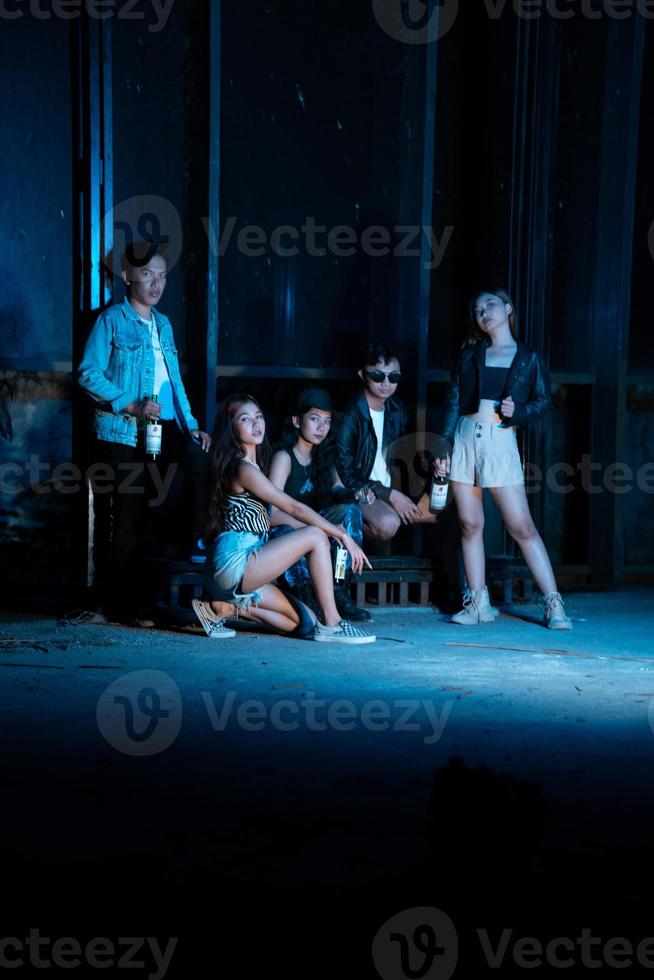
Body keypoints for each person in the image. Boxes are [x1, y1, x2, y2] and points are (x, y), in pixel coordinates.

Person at [78, 240, 211, 623]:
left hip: (161, 431)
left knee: (169, 501)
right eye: (147, 275)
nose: (156, 283)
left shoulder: (163, 324)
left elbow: (174, 382)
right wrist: (128, 402)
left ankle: (168, 584)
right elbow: (87, 373)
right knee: (128, 517)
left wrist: (193, 426)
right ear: (127, 277)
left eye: (162, 276)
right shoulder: (112, 320)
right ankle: (120, 606)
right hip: (121, 433)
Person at [436, 288, 572, 630]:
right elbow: (453, 402)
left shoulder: (527, 357)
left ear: (508, 308)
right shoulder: (469, 353)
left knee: (521, 526)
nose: (484, 312)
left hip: (500, 441)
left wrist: (519, 411)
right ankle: (477, 602)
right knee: (469, 524)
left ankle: (554, 603)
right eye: (478, 308)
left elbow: (544, 402)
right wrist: (444, 449)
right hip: (466, 437)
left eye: (491, 304)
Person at [192, 393, 376, 644]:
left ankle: (222, 608)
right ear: (231, 428)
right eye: (245, 419)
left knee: (305, 623)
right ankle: (333, 624)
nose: (256, 424)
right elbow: (291, 506)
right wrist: (341, 534)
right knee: (317, 536)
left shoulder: (254, 465)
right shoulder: (242, 468)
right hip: (236, 560)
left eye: (259, 417)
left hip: (245, 565)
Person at [268, 387, 371, 622]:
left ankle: (339, 590)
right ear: (297, 420)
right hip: (286, 527)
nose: (321, 428)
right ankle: (306, 599)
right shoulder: (284, 457)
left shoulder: (324, 455)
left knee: (349, 512)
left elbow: (336, 489)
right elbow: (270, 512)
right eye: (314, 419)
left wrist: (355, 494)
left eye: (326, 421)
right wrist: (308, 528)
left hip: (314, 525)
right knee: (284, 531)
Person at [335, 342, 437, 542]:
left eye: (394, 377)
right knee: (389, 523)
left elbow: (403, 458)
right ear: (362, 375)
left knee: (445, 500)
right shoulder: (349, 413)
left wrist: (432, 468)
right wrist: (390, 495)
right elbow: (345, 472)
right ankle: (335, 527)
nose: (386, 383)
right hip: (359, 490)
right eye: (378, 376)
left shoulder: (396, 410)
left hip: (389, 488)